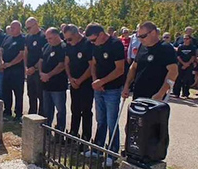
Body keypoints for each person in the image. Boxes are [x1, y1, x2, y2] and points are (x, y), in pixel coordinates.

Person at [85, 23, 125, 160]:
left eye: (93, 40)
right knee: (100, 120)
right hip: (99, 88)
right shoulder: (95, 46)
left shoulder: (116, 44)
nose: (92, 43)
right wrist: (96, 81)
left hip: (112, 89)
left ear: (101, 35)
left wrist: (102, 82)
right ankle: (97, 149)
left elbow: (120, 69)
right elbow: (94, 64)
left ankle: (113, 153)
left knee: (112, 121)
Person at [123, 21, 178, 101]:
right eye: (139, 36)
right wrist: (126, 86)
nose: (140, 39)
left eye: (143, 36)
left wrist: (161, 93)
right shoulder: (142, 47)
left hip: (155, 98)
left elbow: (173, 72)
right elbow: (134, 67)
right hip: (138, 95)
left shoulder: (165, 48)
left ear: (153, 33)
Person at [64, 24, 93, 142]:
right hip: (73, 81)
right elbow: (67, 63)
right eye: (66, 39)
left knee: (86, 110)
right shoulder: (69, 45)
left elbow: (92, 66)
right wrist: (70, 78)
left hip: (86, 83)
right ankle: (73, 134)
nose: (68, 42)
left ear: (76, 34)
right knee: (74, 109)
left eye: (69, 39)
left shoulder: (88, 44)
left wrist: (80, 80)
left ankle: (86, 137)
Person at [39, 28, 68, 131]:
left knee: (60, 110)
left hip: (58, 85)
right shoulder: (47, 46)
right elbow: (41, 60)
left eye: (50, 38)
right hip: (46, 84)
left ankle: (60, 131)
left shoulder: (63, 47)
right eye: (47, 38)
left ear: (56, 36)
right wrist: (41, 73)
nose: (48, 40)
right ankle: (47, 129)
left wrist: (49, 75)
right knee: (47, 109)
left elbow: (62, 65)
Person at [0, 21, 25, 121]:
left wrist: (10, 63)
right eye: (11, 27)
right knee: (6, 91)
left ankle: (18, 113)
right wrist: (1, 62)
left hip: (17, 70)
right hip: (6, 70)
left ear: (19, 28)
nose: (11, 29)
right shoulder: (7, 38)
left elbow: (21, 55)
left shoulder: (23, 39)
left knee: (18, 93)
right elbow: (1, 51)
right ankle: (7, 110)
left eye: (13, 27)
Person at [24, 17, 47, 115]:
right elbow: (26, 52)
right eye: (27, 28)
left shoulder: (43, 37)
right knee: (31, 94)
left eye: (29, 28)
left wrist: (35, 67)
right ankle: (32, 114)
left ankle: (41, 117)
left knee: (41, 95)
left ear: (36, 25)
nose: (28, 30)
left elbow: (44, 55)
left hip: (39, 70)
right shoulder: (28, 37)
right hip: (29, 70)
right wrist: (26, 67)